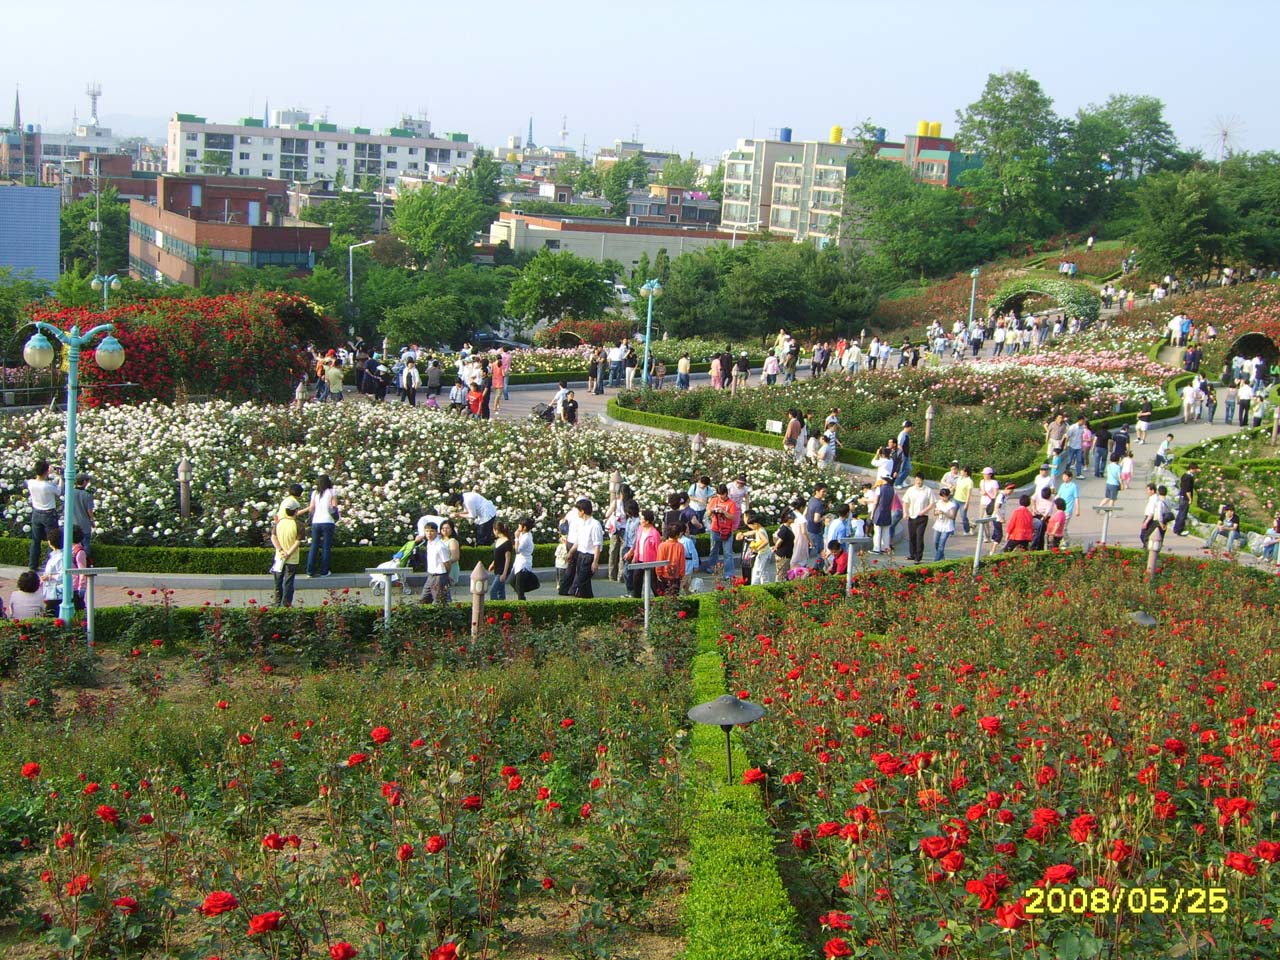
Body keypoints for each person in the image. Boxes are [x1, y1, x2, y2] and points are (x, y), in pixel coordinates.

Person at [26, 459, 61, 572]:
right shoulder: (47, 486)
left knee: (35, 540)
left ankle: (33, 565)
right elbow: (59, 491)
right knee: (52, 540)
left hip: (36, 513)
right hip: (48, 514)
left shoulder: (31, 482)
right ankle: (50, 565)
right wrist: (60, 478)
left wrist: (48, 473)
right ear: (46, 471)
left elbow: (48, 484)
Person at [566, 498, 604, 598]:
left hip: (589, 556)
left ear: (582, 511)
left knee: (582, 581)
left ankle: (587, 600)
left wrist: (595, 561)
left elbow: (597, 545)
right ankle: (587, 600)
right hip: (580, 555)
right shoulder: (582, 523)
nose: (577, 513)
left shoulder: (595, 525)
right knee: (583, 583)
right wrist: (570, 552)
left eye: (578, 510)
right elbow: (578, 541)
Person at [306, 475, 340, 578]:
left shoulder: (315, 493)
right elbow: (334, 506)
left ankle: (310, 571)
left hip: (316, 522)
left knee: (314, 546)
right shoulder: (331, 492)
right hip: (328, 521)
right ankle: (324, 571)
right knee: (326, 547)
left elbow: (311, 508)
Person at [705, 485, 740, 580]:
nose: (720, 497)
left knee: (728, 553)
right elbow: (707, 513)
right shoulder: (714, 500)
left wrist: (724, 512)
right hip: (715, 529)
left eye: (722, 495)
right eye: (719, 495)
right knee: (713, 550)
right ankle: (712, 567)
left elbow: (733, 517)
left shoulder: (731, 503)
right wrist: (711, 510)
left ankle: (729, 573)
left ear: (726, 494)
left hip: (727, 531)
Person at [271, 504, 303, 607]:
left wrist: (280, 550)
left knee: (278, 581)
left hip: (279, 557)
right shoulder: (298, 524)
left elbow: (273, 538)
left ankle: (277, 602)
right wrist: (288, 553)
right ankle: (286, 603)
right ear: (296, 511)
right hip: (292, 558)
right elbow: (297, 542)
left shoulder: (279, 522)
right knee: (288, 582)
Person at [624, 508, 660, 598]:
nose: (640, 521)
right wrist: (635, 555)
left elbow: (658, 550)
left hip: (651, 562)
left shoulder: (655, 534)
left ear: (647, 521)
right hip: (639, 560)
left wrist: (659, 565)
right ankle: (637, 601)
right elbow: (637, 543)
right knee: (636, 582)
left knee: (653, 584)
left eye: (642, 519)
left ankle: (661, 601)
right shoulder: (640, 529)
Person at [419, 522, 454, 605]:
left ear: (436, 532)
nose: (429, 534)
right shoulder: (429, 543)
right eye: (427, 531)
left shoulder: (440, 546)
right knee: (424, 599)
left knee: (439, 601)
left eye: (431, 531)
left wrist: (446, 575)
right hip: (430, 575)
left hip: (439, 576)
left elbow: (447, 563)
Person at [901, 474, 933, 563]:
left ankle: (918, 557)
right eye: (916, 480)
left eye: (919, 480)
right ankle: (912, 554)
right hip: (912, 516)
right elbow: (905, 502)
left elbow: (932, 503)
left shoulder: (928, 490)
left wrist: (924, 511)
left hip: (922, 517)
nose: (918, 482)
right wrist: (905, 512)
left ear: (923, 480)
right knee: (912, 536)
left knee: (919, 536)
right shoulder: (911, 490)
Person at [510, 518, 538, 600]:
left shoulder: (526, 538)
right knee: (512, 581)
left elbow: (517, 550)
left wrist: (516, 538)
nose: (518, 526)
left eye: (520, 525)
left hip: (523, 564)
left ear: (524, 527)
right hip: (518, 563)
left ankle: (522, 604)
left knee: (519, 587)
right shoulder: (525, 534)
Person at [655, 524, 686, 595]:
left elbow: (659, 561)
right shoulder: (680, 546)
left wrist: (658, 573)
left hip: (664, 575)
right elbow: (682, 563)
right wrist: (682, 574)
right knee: (674, 596)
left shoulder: (662, 546)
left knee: (664, 595)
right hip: (676, 576)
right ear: (677, 535)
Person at [40, 527, 65, 615]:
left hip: (57, 594)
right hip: (51, 592)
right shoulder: (54, 556)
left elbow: (63, 575)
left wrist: (49, 577)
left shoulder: (60, 557)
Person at [487, 521, 514, 600]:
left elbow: (507, 559)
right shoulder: (498, 541)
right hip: (497, 569)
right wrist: (493, 563)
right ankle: (502, 606)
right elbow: (498, 555)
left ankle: (495, 607)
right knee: (501, 591)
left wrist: (504, 574)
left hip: (503, 570)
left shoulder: (507, 542)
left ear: (496, 530)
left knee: (493, 590)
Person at [72, 475, 95, 562]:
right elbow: (89, 510)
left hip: (73, 523)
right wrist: (92, 521)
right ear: (85, 482)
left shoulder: (70, 492)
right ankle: (86, 563)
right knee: (86, 544)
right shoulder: (87, 495)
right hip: (84, 524)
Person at [1173, 462, 1199, 536]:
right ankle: (1179, 530)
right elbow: (1188, 490)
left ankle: (1176, 528)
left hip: (1181, 496)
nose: (1196, 471)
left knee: (1180, 513)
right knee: (1183, 514)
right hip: (1185, 498)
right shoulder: (1189, 477)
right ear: (1192, 469)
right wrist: (1190, 499)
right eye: (1195, 469)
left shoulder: (1184, 475)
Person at [932, 488, 957, 561]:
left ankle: (936, 560)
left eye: (945, 496)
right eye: (942, 496)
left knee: (941, 544)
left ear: (948, 496)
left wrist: (944, 512)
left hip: (947, 526)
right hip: (939, 524)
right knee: (935, 541)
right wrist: (937, 512)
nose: (943, 498)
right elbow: (934, 513)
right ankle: (941, 556)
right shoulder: (938, 502)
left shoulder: (951, 505)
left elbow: (952, 516)